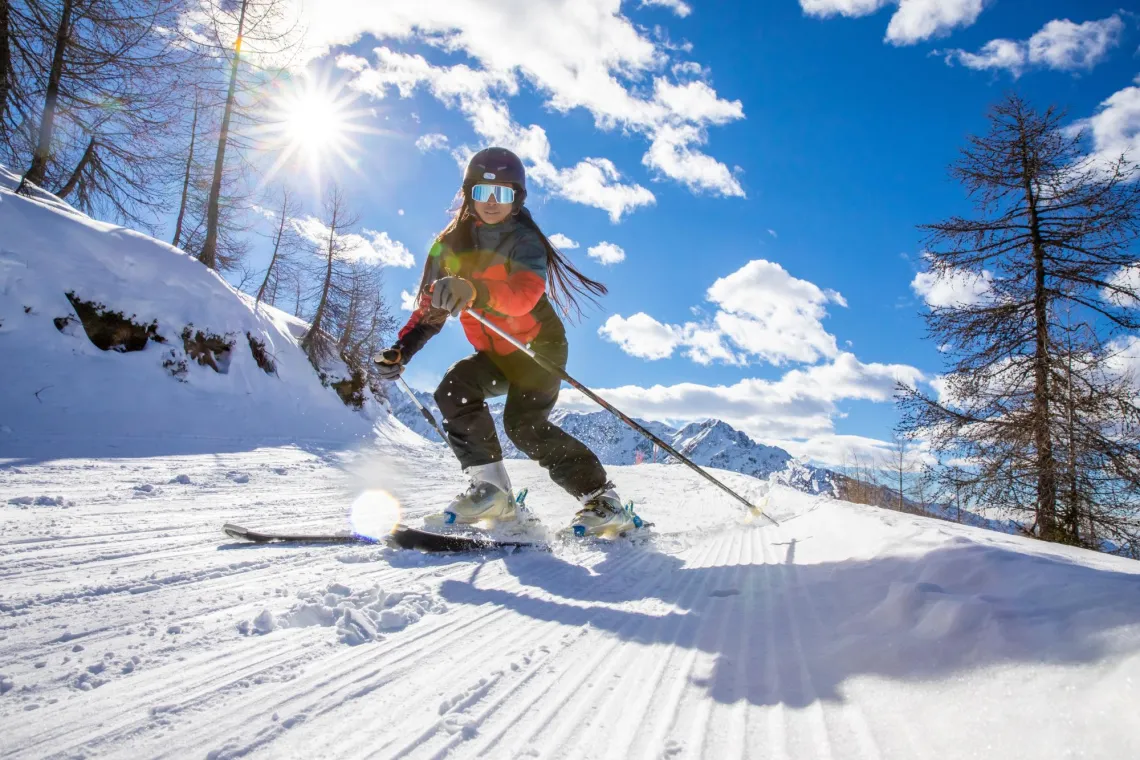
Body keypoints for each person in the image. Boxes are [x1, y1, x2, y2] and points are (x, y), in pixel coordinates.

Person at [375, 147, 639, 537]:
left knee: (524, 425)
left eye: (504, 194)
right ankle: (494, 492)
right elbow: (433, 308)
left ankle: (604, 500)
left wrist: (474, 290)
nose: (493, 203)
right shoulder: (449, 246)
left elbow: (524, 295)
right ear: (469, 196)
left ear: (518, 198)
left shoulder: (524, 239)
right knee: (454, 388)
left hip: (538, 347)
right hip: (496, 352)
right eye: (483, 193)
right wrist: (404, 348)